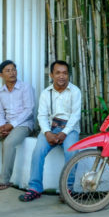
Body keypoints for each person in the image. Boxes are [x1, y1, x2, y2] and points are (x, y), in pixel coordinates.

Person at [19, 60, 81, 202]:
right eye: (58, 73)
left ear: (68, 75)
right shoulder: (46, 93)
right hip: (50, 128)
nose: (61, 76)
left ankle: (67, 189)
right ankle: (35, 188)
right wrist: (47, 132)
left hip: (69, 129)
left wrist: (64, 132)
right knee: (37, 152)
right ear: (52, 74)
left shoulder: (75, 91)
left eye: (65, 73)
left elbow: (75, 116)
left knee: (71, 153)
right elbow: (41, 115)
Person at [0, 60, 35, 190]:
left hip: (24, 124)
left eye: (13, 69)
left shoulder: (26, 87)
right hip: (8, 125)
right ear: (1, 75)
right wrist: (3, 126)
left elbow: (29, 110)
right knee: (6, 138)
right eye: (8, 71)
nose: (12, 73)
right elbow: (0, 113)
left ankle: (4, 180)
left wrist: (12, 126)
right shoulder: (1, 92)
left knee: (8, 143)